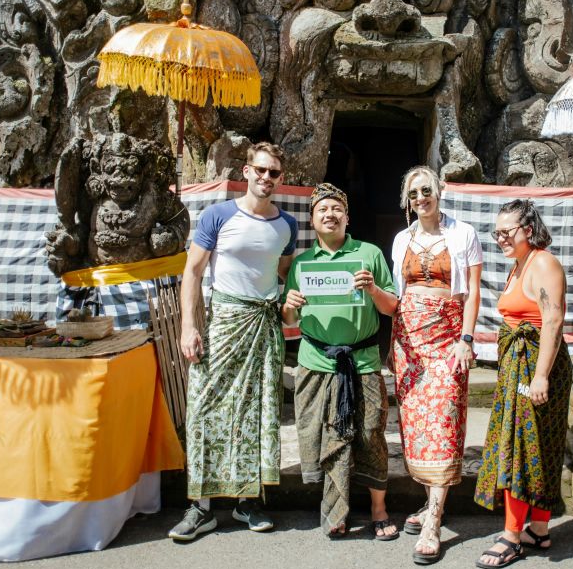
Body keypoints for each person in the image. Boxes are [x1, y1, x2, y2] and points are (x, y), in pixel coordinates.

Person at [168, 142, 298, 541]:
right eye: (261, 170)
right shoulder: (218, 215)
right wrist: (189, 327)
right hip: (224, 321)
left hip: (264, 325)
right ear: (246, 171)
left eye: (274, 173)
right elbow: (192, 273)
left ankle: (248, 502)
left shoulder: (287, 225)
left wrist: (285, 304)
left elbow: (281, 274)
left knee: (258, 411)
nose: (266, 178)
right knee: (206, 407)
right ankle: (200, 507)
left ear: (280, 178)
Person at [281, 183, 399, 539]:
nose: (330, 215)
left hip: (361, 362)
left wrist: (373, 289)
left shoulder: (369, 255)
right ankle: (336, 514)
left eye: (336, 209)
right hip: (316, 361)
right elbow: (288, 321)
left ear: (347, 217)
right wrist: (290, 306)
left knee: (369, 434)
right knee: (327, 437)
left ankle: (379, 509)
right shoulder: (302, 264)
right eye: (322, 210)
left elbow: (392, 307)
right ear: (313, 220)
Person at [389, 166, 483, 564]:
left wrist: (466, 338)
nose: (421, 198)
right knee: (415, 424)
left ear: (439, 191)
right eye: (414, 194)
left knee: (443, 418)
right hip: (409, 339)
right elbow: (399, 291)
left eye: (426, 190)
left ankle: (435, 521)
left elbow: (474, 289)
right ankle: (430, 504)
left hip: (448, 337)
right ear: (407, 200)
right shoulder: (401, 239)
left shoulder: (463, 234)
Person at [473, 199, 573, 569]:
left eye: (506, 232)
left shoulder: (543, 262)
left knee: (518, 447)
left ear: (527, 230)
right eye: (496, 232)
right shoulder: (520, 265)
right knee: (534, 447)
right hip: (521, 367)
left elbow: (552, 320)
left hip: (535, 368)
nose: (500, 238)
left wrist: (541, 376)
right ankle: (539, 530)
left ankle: (512, 536)